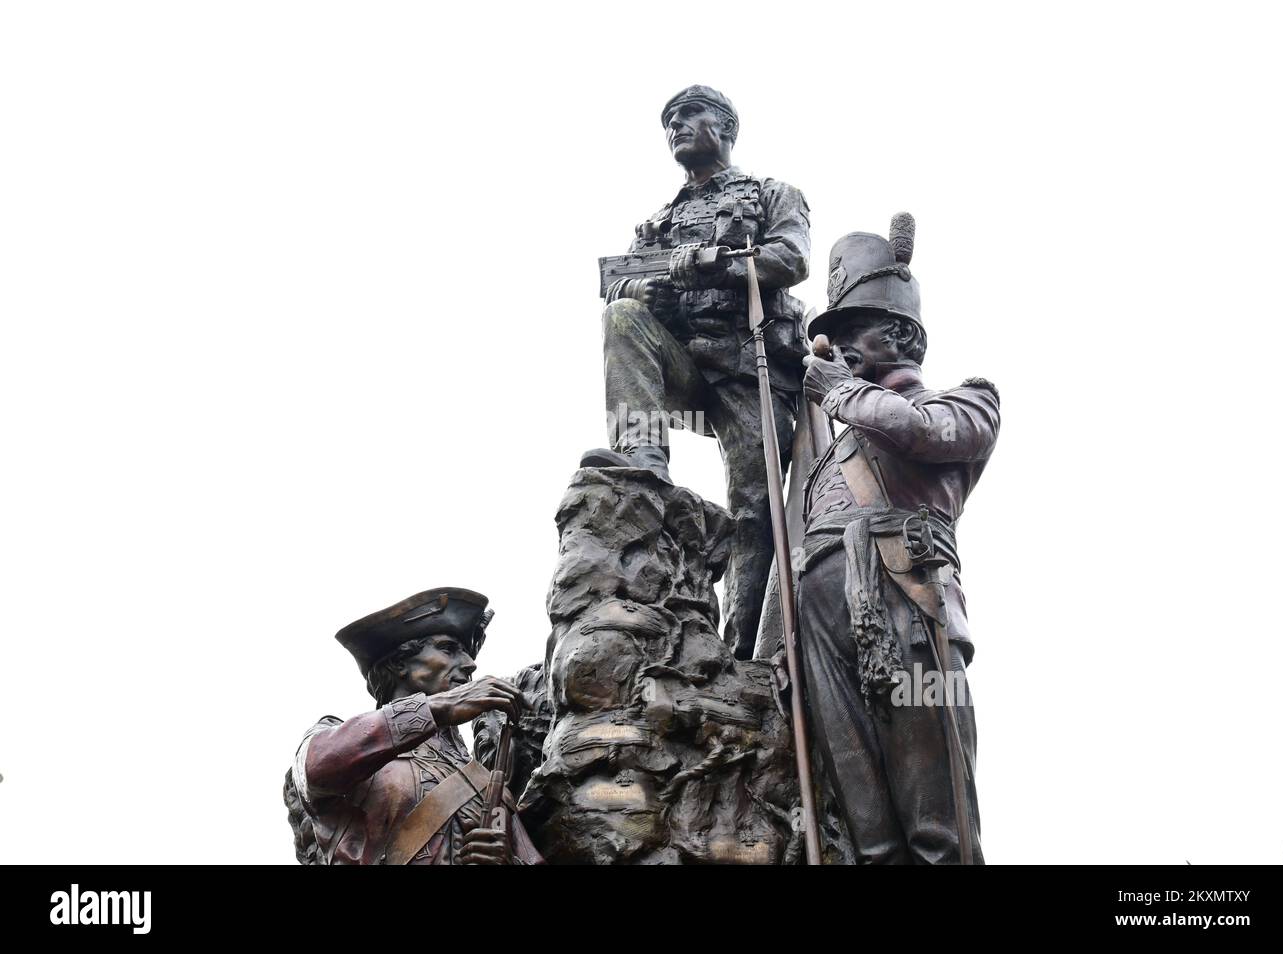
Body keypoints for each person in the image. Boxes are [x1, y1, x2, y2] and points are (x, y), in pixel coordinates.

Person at [582, 84, 811, 658]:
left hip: (746, 363)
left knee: (755, 503)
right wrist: (646, 289)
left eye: (688, 116)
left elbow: (792, 257)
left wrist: (713, 266)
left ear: (726, 128)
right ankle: (642, 470)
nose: (675, 128)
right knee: (624, 316)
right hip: (686, 370)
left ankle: (741, 651)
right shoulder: (656, 225)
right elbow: (617, 281)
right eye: (669, 122)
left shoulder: (770, 194)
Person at [797, 218, 1000, 863]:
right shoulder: (832, 442)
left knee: (937, 821)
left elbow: (921, 431)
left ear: (903, 336)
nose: (844, 347)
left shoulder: (969, 402)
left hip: (908, 601)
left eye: (859, 331)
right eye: (838, 337)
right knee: (864, 828)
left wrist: (843, 390)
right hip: (823, 622)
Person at [286, 587, 543, 864]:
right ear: (399, 663)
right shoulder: (344, 740)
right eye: (448, 648)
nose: (469, 665)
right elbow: (316, 765)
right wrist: (438, 708)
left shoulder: (488, 780)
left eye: (467, 653)